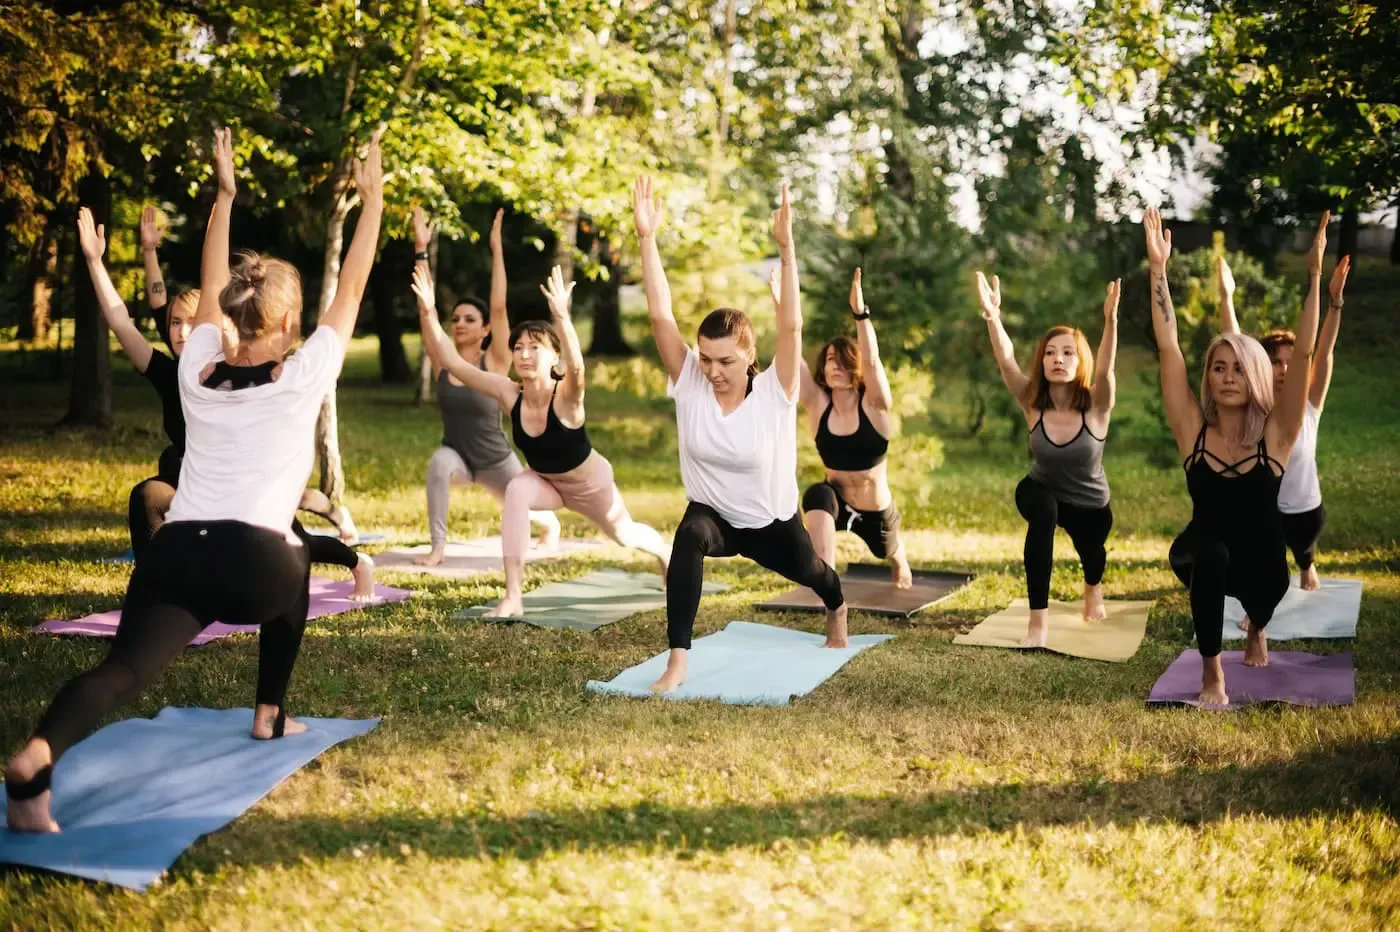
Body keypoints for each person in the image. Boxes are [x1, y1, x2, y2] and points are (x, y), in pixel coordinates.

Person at [4, 129, 384, 833]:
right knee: (295, 555)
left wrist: (224, 195)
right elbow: (353, 284)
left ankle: (37, 755)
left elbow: (209, 286)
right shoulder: (304, 374)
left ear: (229, 318)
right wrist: (372, 204)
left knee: (120, 672)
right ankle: (270, 711)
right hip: (257, 565)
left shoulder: (196, 366)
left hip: (176, 554)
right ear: (291, 322)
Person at [80, 207, 375, 599]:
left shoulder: (240, 371)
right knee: (149, 493)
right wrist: (96, 262)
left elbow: (212, 290)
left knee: (293, 540)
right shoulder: (172, 371)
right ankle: (154, 588)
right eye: (173, 323)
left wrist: (224, 196)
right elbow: (122, 321)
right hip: (195, 487)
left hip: (247, 489)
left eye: (191, 321)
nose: (183, 331)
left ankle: (357, 562)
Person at [633, 175, 846, 694]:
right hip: (714, 517)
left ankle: (838, 610)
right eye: (705, 358)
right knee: (687, 536)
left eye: (725, 360)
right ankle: (677, 662)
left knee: (815, 572)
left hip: (771, 523)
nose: (712, 370)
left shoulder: (777, 391)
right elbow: (660, 314)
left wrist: (787, 249)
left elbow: (792, 329)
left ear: (750, 355)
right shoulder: (689, 381)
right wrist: (647, 239)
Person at [413, 258, 670, 616]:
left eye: (535, 347)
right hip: (545, 483)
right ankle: (513, 596)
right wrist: (427, 310)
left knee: (625, 536)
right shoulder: (508, 393)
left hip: (589, 486)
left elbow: (578, 368)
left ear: (554, 358)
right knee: (517, 489)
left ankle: (665, 555)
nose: (524, 354)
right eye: (518, 347)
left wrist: (563, 319)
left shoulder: (566, 397)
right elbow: (455, 365)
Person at [1146, 207, 1323, 707]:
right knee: (1211, 552)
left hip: (1265, 567)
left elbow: (1305, 355)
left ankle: (1257, 627)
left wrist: (1313, 276)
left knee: (1258, 599)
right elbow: (1169, 349)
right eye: (1219, 367)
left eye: (1239, 369)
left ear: (1257, 378)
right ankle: (1212, 678)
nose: (1227, 376)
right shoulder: (1193, 432)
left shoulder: (1277, 434)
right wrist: (1159, 269)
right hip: (1204, 551)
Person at [975, 268, 1122, 646]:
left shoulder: (1097, 403)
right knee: (1043, 513)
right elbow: (1007, 360)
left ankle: (1093, 588)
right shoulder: (1031, 401)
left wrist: (1111, 320)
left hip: (1089, 504)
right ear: (1041, 361)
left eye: (1068, 352)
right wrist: (993, 317)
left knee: (1093, 557)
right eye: (1051, 353)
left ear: (1080, 361)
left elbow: (1105, 369)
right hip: (1041, 489)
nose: (1058, 359)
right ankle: (1037, 622)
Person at [410, 207, 560, 566]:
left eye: (469, 319)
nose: (460, 323)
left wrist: (497, 252)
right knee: (437, 465)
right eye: (456, 318)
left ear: (485, 329)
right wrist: (420, 249)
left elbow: (498, 306)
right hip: (458, 457)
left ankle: (550, 525)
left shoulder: (494, 361)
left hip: (495, 459)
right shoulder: (443, 362)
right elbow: (425, 312)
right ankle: (438, 548)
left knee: (525, 505)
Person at [1216, 249, 1350, 604]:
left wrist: (1334, 304)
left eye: (1291, 362)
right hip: (1266, 510)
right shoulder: (1253, 407)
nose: (1284, 370)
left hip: (1306, 507)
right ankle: (1259, 603)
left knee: (1304, 547)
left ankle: (1307, 564)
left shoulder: (1309, 405)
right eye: (1275, 362)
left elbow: (1323, 352)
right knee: (1263, 557)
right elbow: (1235, 345)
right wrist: (1226, 297)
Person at [787, 267, 912, 588]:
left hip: (875, 510)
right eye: (830, 360)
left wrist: (860, 314)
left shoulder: (874, 404)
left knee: (887, 550)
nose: (836, 367)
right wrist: (783, 308)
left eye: (843, 361)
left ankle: (900, 559)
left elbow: (872, 361)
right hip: (837, 502)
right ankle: (826, 582)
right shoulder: (817, 404)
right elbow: (792, 354)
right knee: (816, 494)